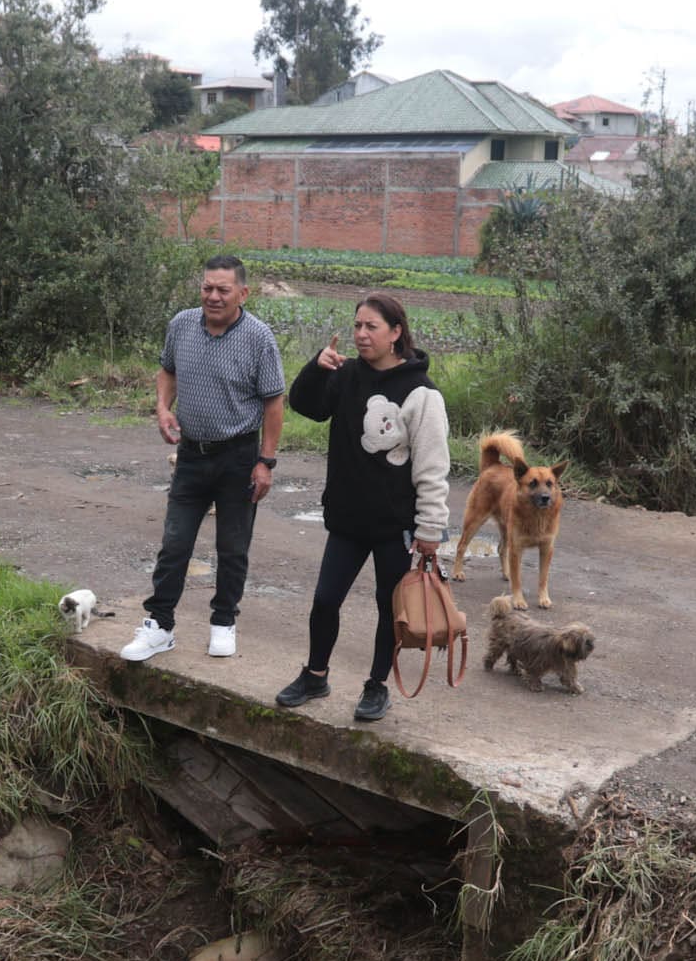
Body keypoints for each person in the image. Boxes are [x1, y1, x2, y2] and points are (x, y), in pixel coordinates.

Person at [275, 293, 450, 723]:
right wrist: (317, 368)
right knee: (325, 600)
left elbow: (432, 467)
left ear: (396, 334)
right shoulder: (346, 374)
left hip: (395, 525)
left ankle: (377, 686)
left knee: (388, 608)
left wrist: (431, 529)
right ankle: (315, 675)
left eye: (371, 327)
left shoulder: (421, 394)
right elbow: (307, 406)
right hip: (348, 519)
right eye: (357, 325)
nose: (360, 334)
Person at [120, 256, 286, 663]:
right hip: (192, 455)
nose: (213, 296)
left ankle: (223, 621)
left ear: (242, 293)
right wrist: (162, 407)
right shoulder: (182, 325)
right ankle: (159, 626)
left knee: (232, 547)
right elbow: (167, 371)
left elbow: (274, 403)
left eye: (222, 290)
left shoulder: (258, 338)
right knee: (174, 544)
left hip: (239, 458)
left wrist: (266, 461)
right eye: (207, 288)